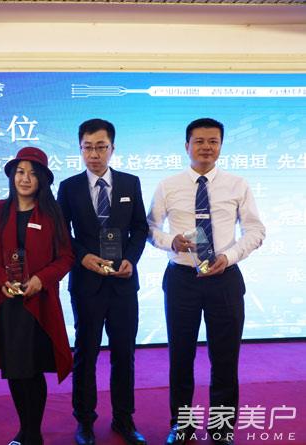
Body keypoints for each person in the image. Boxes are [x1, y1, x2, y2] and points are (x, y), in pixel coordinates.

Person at [147, 118, 265, 445]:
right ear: (187, 146)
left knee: (225, 358)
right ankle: (182, 426)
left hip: (224, 278)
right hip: (182, 279)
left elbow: (255, 230)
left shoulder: (237, 184)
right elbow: (150, 228)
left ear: (221, 146)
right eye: (199, 141)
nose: (206, 147)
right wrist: (171, 241)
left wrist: (229, 256)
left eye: (213, 141)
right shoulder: (168, 185)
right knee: (180, 357)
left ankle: (221, 428)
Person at [0, 146, 74, 445]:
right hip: (6, 303)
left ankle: (33, 433)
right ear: (12, 176)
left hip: (38, 303)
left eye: (32, 173)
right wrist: (2, 278)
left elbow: (66, 257)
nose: (25, 178)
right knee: (15, 370)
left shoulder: (52, 214)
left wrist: (41, 279)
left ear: (42, 179)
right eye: (20, 172)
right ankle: (24, 430)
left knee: (33, 369)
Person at [57, 119, 148, 445]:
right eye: (88, 148)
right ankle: (84, 421)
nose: (94, 154)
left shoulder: (130, 183)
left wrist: (131, 259)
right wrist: (82, 257)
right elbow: (61, 233)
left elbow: (140, 228)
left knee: (124, 354)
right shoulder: (69, 187)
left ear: (112, 148)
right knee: (86, 353)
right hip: (87, 284)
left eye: (101, 147)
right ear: (80, 149)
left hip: (123, 284)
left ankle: (124, 419)